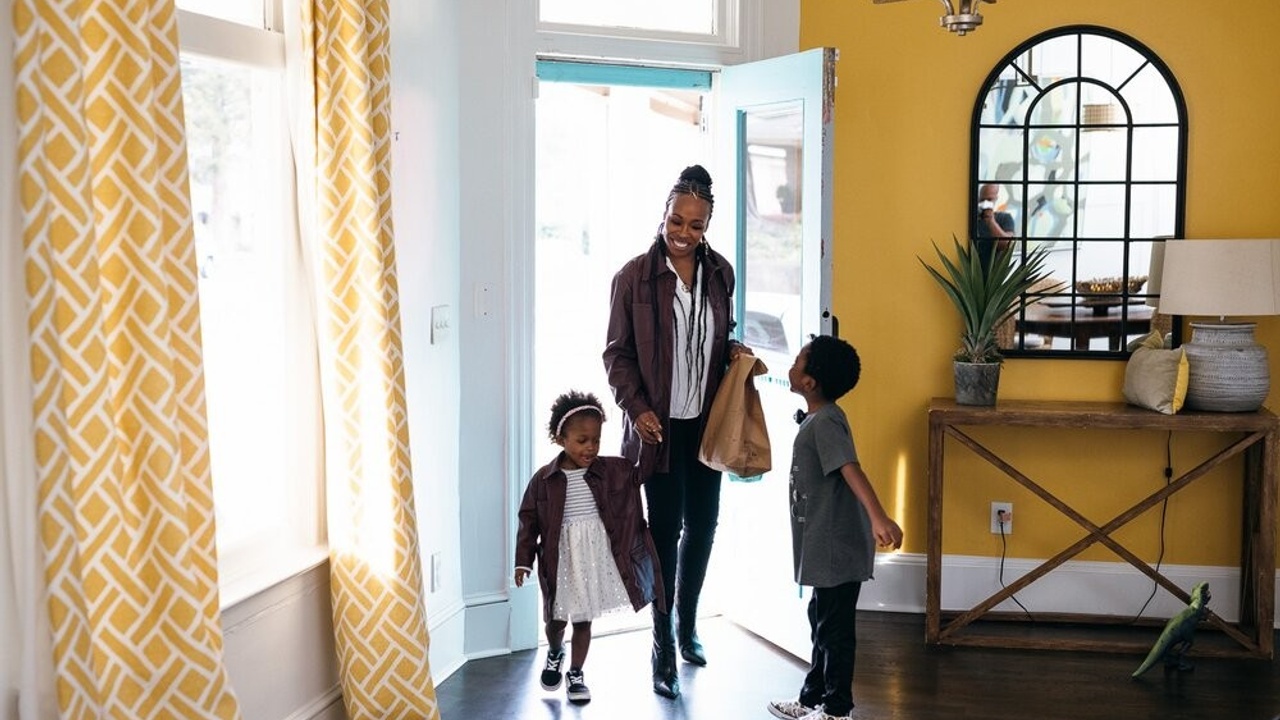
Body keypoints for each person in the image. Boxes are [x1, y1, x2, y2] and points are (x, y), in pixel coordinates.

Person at [602, 164, 751, 699]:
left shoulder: (721, 274)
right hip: (658, 431)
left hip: (707, 426)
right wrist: (636, 407)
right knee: (664, 532)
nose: (683, 233)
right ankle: (661, 642)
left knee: (704, 526)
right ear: (663, 216)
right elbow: (617, 355)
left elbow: (718, 336)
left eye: (695, 224)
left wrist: (733, 353)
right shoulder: (633, 279)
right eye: (676, 221)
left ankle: (688, 625)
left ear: (708, 225)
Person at [766, 336, 904, 720]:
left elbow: (849, 468)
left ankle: (837, 709)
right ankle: (811, 700)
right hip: (824, 542)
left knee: (834, 631)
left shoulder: (825, 421)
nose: (791, 366)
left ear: (809, 382)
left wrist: (879, 517)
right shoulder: (820, 417)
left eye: (797, 362)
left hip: (835, 544)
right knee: (821, 623)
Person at [514, 390, 664, 705]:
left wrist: (647, 442)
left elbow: (641, 473)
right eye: (582, 440)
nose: (591, 447)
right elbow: (528, 521)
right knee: (556, 621)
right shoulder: (544, 480)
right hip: (560, 560)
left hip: (592, 559)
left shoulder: (612, 469)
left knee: (583, 620)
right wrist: (523, 561)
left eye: (596, 440)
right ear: (561, 439)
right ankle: (556, 651)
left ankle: (576, 673)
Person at [975, 182, 1015, 271]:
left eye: (989, 199)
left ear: (996, 199)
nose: (985, 203)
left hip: (995, 274)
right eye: (982, 200)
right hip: (972, 271)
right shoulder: (972, 219)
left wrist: (991, 221)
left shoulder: (1005, 218)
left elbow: (1005, 245)